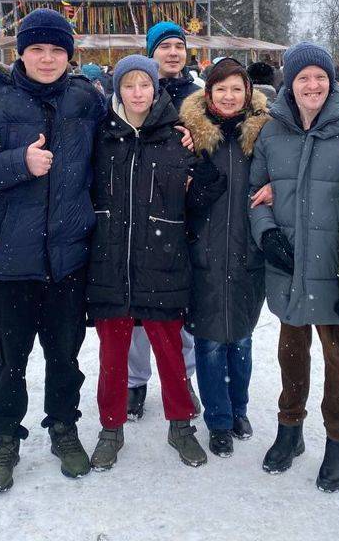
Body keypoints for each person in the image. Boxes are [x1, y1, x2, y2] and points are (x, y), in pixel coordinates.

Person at [0, 8, 107, 492]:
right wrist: (20, 161)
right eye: (37, 49)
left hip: (68, 261)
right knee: (8, 359)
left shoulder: (86, 98)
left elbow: (121, 142)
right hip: (9, 261)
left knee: (65, 358)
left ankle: (63, 427)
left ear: (69, 55)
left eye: (57, 50)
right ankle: (4, 438)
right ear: (21, 52)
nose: (47, 58)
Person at [87, 55, 220, 471]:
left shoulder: (176, 136)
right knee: (112, 357)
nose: (138, 93)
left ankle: (181, 426)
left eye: (145, 84)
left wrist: (200, 170)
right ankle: (111, 429)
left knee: (171, 353)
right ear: (118, 90)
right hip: (111, 263)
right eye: (129, 85)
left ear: (156, 88)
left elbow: (202, 197)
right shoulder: (102, 137)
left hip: (163, 261)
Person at [249, 42, 339, 492]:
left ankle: (338, 439)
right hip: (289, 262)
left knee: (337, 358)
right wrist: (267, 234)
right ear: (290, 83)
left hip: (335, 265)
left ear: (331, 81)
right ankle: (290, 428)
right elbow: (257, 191)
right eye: (303, 78)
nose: (312, 85)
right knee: (291, 352)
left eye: (320, 77)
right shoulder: (272, 130)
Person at [181, 58, 270, 457]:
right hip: (205, 252)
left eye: (237, 89)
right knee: (210, 342)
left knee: (242, 340)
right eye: (222, 89)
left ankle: (239, 409)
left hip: (247, 253)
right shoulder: (191, 135)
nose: (230, 96)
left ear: (248, 92)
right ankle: (217, 419)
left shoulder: (264, 133)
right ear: (209, 92)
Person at [127, 20, 201, 421]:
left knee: (180, 305)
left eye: (178, 45)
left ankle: (184, 378)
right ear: (151, 52)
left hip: (182, 214)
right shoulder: (136, 91)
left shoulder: (199, 96)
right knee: (137, 308)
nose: (173, 52)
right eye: (164, 46)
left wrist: (196, 142)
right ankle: (135, 382)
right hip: (138, 212)